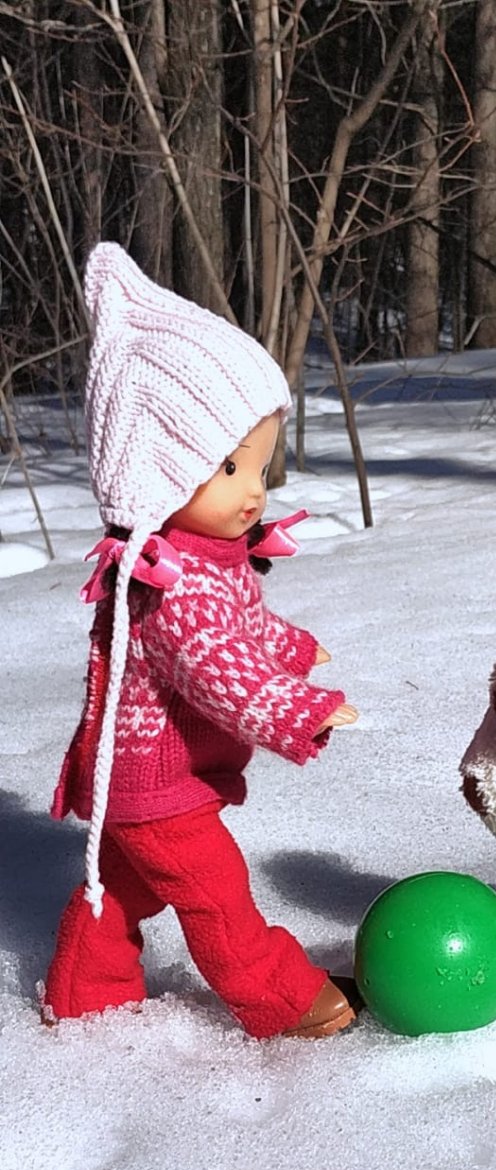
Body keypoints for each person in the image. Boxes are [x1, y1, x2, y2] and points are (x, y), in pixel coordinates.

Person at [43, 243, 358, 1040]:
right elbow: (215, 667)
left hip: (154, 778)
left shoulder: (208, 557)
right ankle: (278, 996)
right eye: (228, 469)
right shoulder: (173, 582)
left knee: (124, 886)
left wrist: (291, 647)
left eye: (260, 466)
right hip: (158, 784)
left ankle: (84, 991)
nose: (254, 491)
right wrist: (298, 708)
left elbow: (242, 630)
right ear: (158, 474)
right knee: (216, 891)